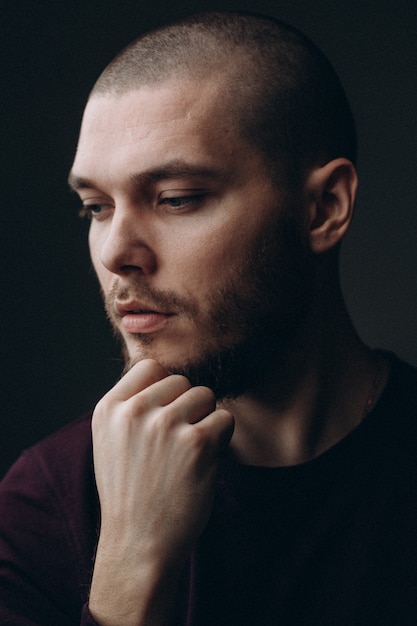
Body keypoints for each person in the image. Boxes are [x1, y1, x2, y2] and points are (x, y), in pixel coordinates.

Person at [1, 10, 416, 626]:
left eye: (176, 199)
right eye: (95, 207)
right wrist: (129, 574)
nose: (116, 252)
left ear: (324, 208)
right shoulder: (44, 502)